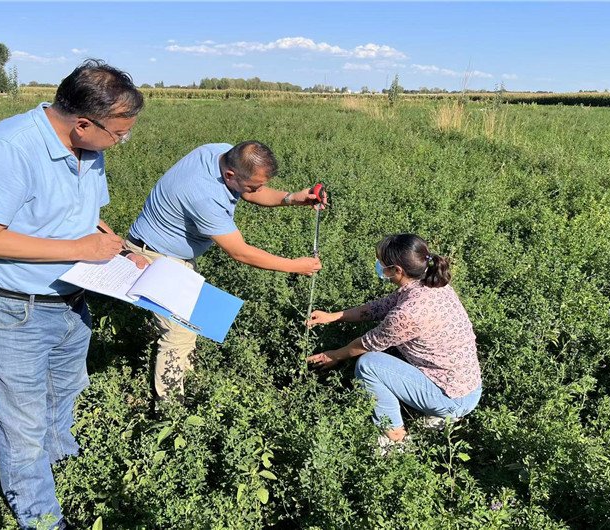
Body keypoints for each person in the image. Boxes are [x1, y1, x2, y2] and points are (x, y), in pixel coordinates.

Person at [0, 59, 145, 529]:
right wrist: (81, 248)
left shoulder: (87, 148)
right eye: (119, 134)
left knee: (65, 389)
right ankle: (41, 517)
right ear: (83, 123)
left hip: (69, 299)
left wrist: (118, 245)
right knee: (22, 424)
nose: (121, 143)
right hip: (9, 308)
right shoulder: (8, 148)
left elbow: (86, 216)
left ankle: (60, 465)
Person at [126, 141, 326, 400]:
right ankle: (171, 407)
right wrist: (295, 266)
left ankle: (187, 380)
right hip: (155, 256)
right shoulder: (203, 194)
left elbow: (250, 191)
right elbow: (240, 252)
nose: (256, 190)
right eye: (253, 184)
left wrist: (292, 198)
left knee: (191, 322)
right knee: (179, 332)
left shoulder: (221, 153)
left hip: (173, 254)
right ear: (230, 175)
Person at [306, 233, 481, 451]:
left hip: (452, 397)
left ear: (397, 270)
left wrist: (333, 355)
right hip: (467, 386)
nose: (379, 266)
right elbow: (380, 307)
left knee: (369, 365)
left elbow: (367, 343)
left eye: (382, 263)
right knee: (390, 354)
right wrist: (334, 316)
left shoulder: (408, 313)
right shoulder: (433, 283)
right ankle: (438, 414)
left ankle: (395, 439)